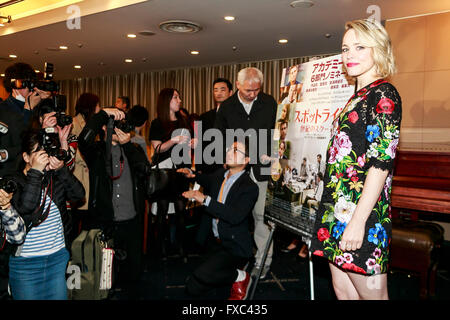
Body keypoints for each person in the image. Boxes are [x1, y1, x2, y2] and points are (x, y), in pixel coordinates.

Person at [310, 19, 402, 300]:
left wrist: (358, 221)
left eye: (360, 47)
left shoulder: (383, 94)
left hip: (362, 215)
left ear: (379, 50)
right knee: (343, 292)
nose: (349, 55)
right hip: (336, 210)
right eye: (345, 48)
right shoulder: (357, 97)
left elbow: (380, 164)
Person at [78, 107, 150, 298]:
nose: (120, 128)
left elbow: (145, 171)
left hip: (131, 220)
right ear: (105, 127)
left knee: (133, 278)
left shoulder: (133, 149)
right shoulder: (97, 152)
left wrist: (127, 145)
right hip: (106, 221)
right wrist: (103, 114)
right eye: (115, 124)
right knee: (105, 278)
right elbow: (83, 139)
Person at [215, 67, 277, 280]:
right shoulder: (227, 107)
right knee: (234, 217)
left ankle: (262, 263)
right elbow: (218, 138)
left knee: (261, 217)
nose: (252, 94)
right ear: (238, 85)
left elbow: (277, 133)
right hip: (237, 171)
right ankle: (234, 262)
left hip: (262, 169)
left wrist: (273, 153)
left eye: (256, 90)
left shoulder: (269, 103)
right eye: (248, 90)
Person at [9, 128, 85, 300]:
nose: (44, 155)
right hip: (26, 265)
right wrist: (35, 172)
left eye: (46, 150)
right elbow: (25, 209)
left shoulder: (54, 176)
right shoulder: (14, 181)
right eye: (38, 152)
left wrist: (61, 170)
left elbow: (79, 195)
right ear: (26, 157)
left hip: (57, 259)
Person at [178, 139, 258, 300]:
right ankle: (226, 276)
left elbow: (235, 216)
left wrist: (205, 199)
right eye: (229, 149)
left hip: (235, 246)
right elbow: (206, 179)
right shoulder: (220, 175)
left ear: (246, 160)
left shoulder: (249, 187)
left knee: (204, 274)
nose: (229, 152)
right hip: (215, 242)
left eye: (235, 150)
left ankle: (241, 276)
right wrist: (192, 174)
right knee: (192, 288)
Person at [148, 88, 196, 260]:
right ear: (166, 100)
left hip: (182, 169)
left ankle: (181, 248)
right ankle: (161, 249)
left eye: (179, 96)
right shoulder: (157, 123)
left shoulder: (183, 120)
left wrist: (192, 143)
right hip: (164, 170)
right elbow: (158, 148)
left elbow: (187, 146)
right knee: (162, 212)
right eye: (176, 97)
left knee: (181, 210)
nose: (179, 100)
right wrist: (173, 140)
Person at [0, 62, 51, 177]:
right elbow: (20, 141)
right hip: (10, 173)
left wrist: (46, 101)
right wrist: (28, 110)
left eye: (31, 83)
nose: (29, 88)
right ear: (14, 85)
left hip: (35, 171)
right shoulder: (3, 110)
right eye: (24, 83)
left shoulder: (37, 106)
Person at [70, 93, 101, 233]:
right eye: (98, 105)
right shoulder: (74, 123)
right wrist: (92, 159)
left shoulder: (93, 125)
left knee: (90, 224)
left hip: (91, 177)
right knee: (75, 222)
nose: (99, 108)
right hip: (79, 176)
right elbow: (72, 151)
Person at [197, 78, 233, 174]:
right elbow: (199, 145)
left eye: (222, 89)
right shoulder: (203, 117)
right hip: (209, 169)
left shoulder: (238, 116)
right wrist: (199, 168)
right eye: (215, 90)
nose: (218, 93)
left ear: (230, 93)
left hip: (231, 167)